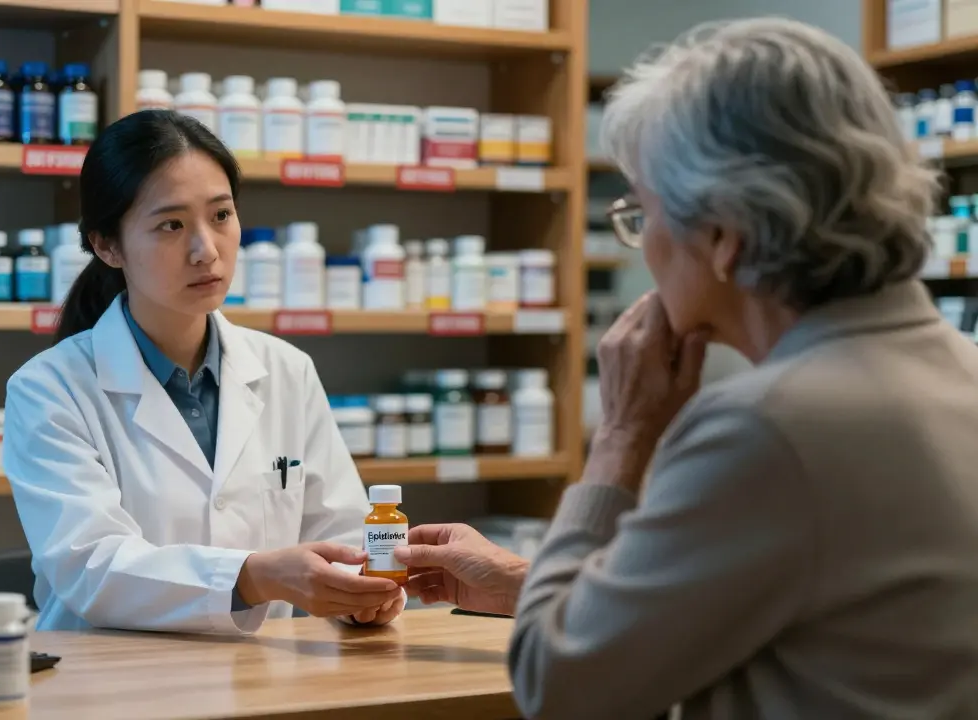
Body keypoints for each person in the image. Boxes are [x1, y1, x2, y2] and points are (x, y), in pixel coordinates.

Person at [395, 17, 978, 719]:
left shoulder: (768, 429)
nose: (643, 245)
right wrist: (526, 583)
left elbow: (557, 686)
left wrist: (619, 440)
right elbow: (774, 591)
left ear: (724, 236)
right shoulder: (952, 366)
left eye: (642, 213)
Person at [3, 110, 404, 634]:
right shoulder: (49, 390)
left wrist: (363, 589)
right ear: (107, 245)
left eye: (221, 216)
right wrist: (251, 577)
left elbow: (344, 531)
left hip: (262, 685)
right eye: (171, 225)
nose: (207, 250)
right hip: (109, 688)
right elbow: (91, 567)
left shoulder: (286, 370)